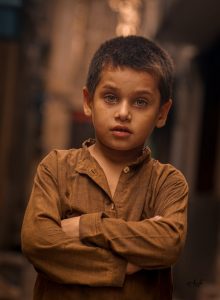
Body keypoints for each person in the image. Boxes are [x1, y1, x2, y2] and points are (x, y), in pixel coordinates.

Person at [21, 35, 188, 300]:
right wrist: (123, 265)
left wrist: (84, 228)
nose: (123, 113)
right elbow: (38, 243)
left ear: (162, 113)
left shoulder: (167, 182)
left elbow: (168, 243)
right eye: (110, 97)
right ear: (88, 101)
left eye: (140, 102)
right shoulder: (57, 168)